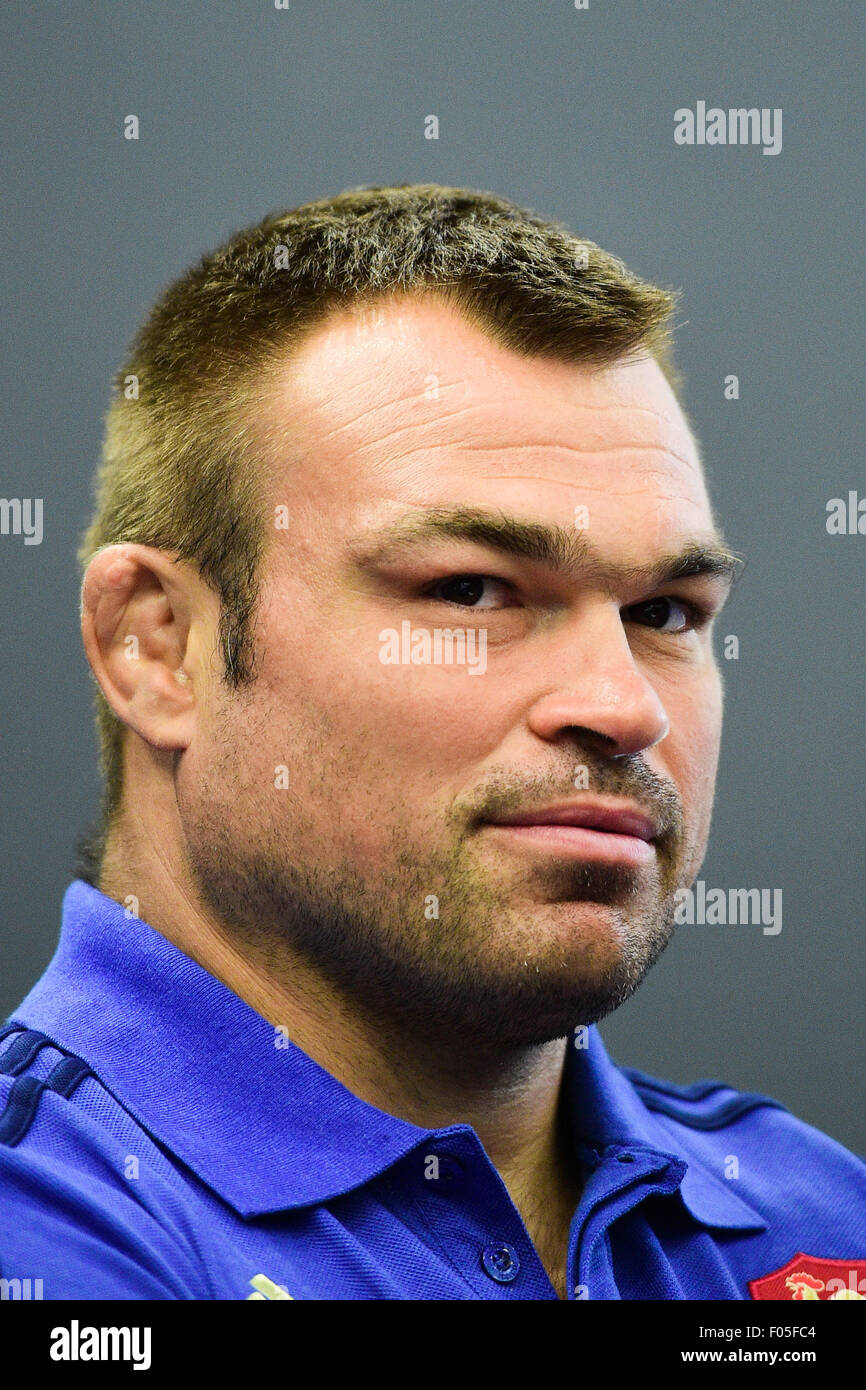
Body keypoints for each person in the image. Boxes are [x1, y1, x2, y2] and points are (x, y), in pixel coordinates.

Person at [1, 185, 863, 1301]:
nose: (621, 705)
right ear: (158, 649)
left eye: (663, 612)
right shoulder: (44, 1225)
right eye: (471, 589)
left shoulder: (813, 1222)